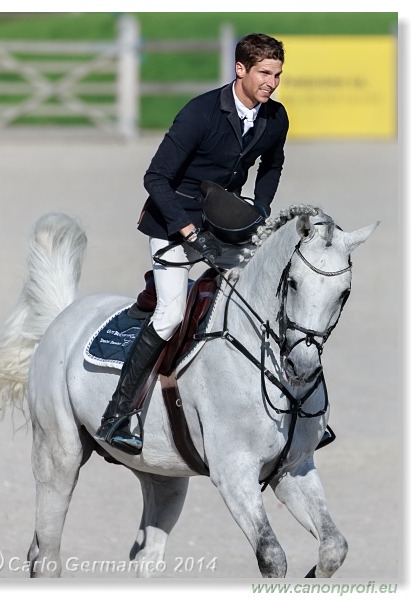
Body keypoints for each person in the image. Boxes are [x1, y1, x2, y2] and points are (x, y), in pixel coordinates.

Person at [95, 32, 288, 454]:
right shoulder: (200, 113)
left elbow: (273, 164)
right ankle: (119, 412)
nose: (271, 83)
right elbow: (155, 178)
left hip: (225, 224)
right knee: (170, 314)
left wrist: (260, 208)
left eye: (277, 74)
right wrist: (188, 232)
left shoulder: (275, 117)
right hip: (173, 221)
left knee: (262, 301)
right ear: (240, 69)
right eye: (264, 73)